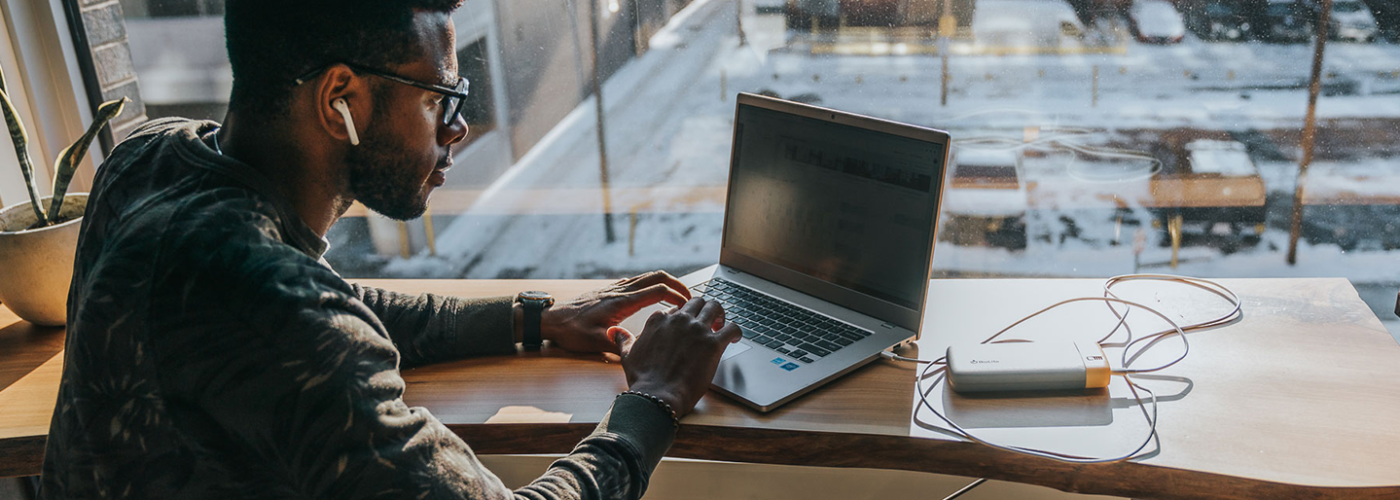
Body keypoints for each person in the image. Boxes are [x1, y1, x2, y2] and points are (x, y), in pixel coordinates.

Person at [38, 0, 741, 498]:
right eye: (440, 96)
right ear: (339, 97)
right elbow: (299, 316)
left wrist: (534, 318)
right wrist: (654, 397)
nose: (458, 129)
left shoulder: (147, 163)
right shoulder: (274, 307)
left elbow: (328, 304)